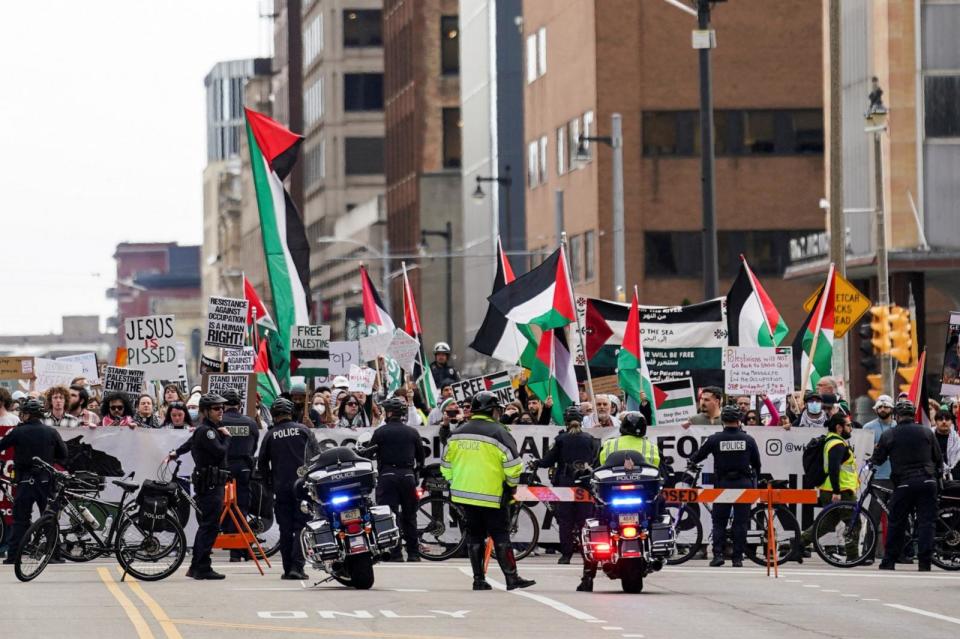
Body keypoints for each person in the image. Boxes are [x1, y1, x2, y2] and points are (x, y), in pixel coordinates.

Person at [440, 391, 534, 591]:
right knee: (501, 536)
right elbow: (514, 465)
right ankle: (511, 578)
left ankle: (478, 580)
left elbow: (446, 464)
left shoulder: (457, 432)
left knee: (474, 536)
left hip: (463, 495)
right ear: (492, 410)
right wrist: (511, 485)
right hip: (493, 495)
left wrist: (454, 482)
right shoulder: (499, 431)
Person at [578, 411, 658, 592]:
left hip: (612, 499)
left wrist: (584, 478)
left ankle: (587, 578)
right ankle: (656, 550)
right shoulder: (651, 447)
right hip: (643, 500)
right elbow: (662, 469)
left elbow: (597, 467)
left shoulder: (610, 444)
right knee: (657, 516)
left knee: (593, 526)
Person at [871, 400, 942, 571]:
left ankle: (889, 561)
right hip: (927, 481)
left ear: (897, 415)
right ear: (913, 415)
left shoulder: (890, 434)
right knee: (926, 523)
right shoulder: (927, 432)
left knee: (896, 521)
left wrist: (872, 457)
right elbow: (938, 458)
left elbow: (878, 459)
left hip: (904, 483)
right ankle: (925, 563)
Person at [167, 393, 232, 580]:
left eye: (222, 408)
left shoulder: (207, 429)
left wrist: (176, 453)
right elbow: (220, 452)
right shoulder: (208, 431)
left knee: (208, 525)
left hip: (210, 483)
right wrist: (228, 438)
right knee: (209, 526)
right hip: (210, 484)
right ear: (205, 411)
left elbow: (189, 444)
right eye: (216, 408)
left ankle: (197, 566)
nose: (221, 411)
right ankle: (201, 567)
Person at [687, 405, 762, 567]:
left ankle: (718, 556)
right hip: (744, 484)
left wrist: (691, 462)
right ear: (738, 420)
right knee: (741, 523)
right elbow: (757, 463)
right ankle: (737, 558)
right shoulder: (748, 439)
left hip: (723, 485)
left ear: (723, 421)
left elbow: (698, 456)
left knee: (719, 521)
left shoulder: (715, 439)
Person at [257, 397, 319, 580]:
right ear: (291, 413)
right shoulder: (304, 431)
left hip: (281, 488)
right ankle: (297, 567)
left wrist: (269, 485)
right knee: (302, 527)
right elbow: (317, 457)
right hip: (303, 487)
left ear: (275, 416)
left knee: (285, 529)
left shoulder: (270, 435)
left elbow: (261, 465)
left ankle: (287, 569)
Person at [0, 398, 68, 563]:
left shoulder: (18, 431)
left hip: (24, 481)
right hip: (46, 481)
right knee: (49, 518)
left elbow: (2, 446)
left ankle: (14, 556)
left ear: (28, 414)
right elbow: (64, 454)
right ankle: (53, 554)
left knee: (20, 520)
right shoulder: (51, 432)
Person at [531, 405, 598, 564]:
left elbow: (548, 461)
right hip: (585, 485)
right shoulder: (590, 439)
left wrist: (538, 463)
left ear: (566, 421)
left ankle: (566, 555)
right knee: (585, 521)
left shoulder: (561, 439)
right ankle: (586, 553)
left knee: (565, 521)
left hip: (565, 484)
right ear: (581, 421)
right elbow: (595, 461)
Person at [369, 397, 425, 562]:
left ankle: (395, 553)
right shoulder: (412, 432)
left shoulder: (380, 432)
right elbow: (421, 457)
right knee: (410, 516)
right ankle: (414, 553)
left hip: (387, 476)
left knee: (388, 515)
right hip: (407, 475)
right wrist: (415, 474)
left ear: (390, 413)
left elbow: (369, 452)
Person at [220, 389, 261, 562]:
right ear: (240, 405)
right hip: (244, 470)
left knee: (226, 509)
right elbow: (253, 447)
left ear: (223, 405)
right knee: (241, 509)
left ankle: (236, 549)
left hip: (224, 469)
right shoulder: (250, 423)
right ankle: (241, 550)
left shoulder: (219, 422)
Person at [863, 394, 896, 543]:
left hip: (896, 477)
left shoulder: (898, 427)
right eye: (880, 407)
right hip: (878, 478)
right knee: (873, 516)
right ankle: (868, 552)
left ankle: (901, 553)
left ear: (892, 408)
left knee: (897, 516)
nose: (883, 409)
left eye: (886, 406)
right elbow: (864, 452)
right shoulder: (868, 428)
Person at [933, 409, 960, 480]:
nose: (944, 422)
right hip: (935, 477)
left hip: (956, 478)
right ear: (936, 422)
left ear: (951, 422)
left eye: (947, 419)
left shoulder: (957, 440)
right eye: (940, 419)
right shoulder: (929, 438)